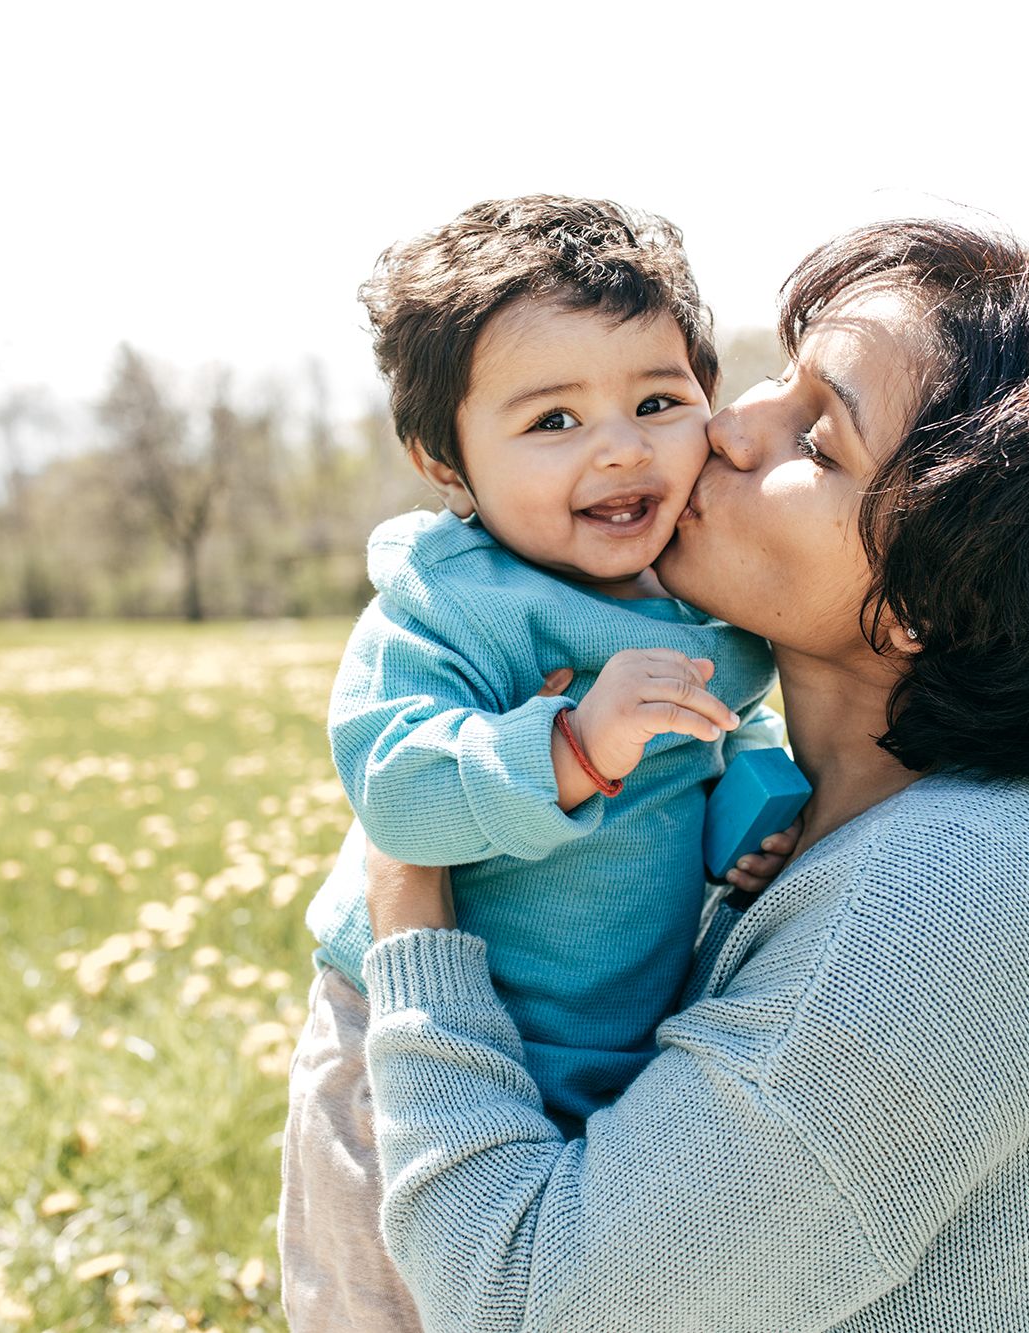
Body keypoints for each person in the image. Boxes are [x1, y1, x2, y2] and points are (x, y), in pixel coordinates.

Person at [355, 218, 1029, 1330]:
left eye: (818, 437)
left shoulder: (966, 893)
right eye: (772, 379)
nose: (724, 423)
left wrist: (408, 907)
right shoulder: (807, 832)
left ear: (949, 587)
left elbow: (525, 1304)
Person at [279, 196, 801, 1331]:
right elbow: (394, 790)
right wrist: (567, 745)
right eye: (551, 420)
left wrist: (754, 818)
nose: (619, 446)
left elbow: (733, 723)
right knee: (382, 1303)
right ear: (443, 460)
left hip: (616, 1044)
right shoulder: (452, 604)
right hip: (403, 1047)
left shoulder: (704, 593)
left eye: (656, 402)